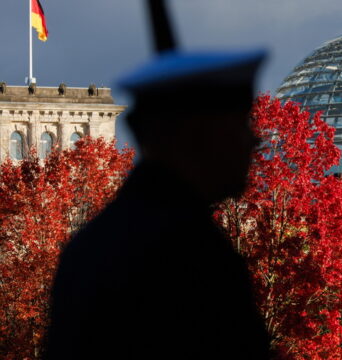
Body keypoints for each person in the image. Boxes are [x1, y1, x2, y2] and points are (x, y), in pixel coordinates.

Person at [44, 1, 270, 359]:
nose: (254, 142)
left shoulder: (93, 242)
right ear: (198, 137)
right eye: (241, 127)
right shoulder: (190, 253)